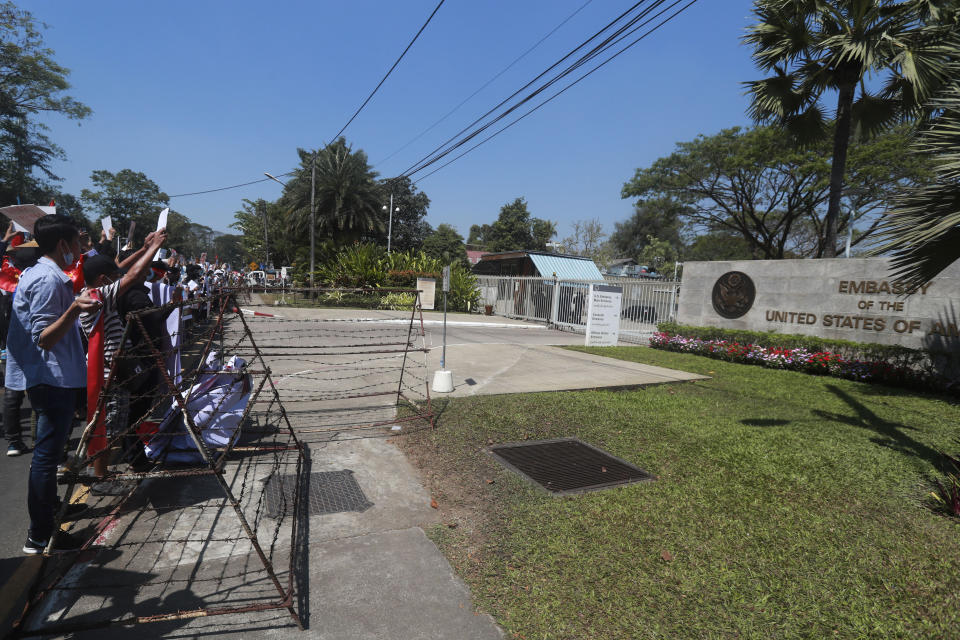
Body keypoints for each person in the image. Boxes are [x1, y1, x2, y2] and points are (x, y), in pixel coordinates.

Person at [7, 214, 100, 554]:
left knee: (49, 455)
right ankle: (41, 533)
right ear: (63, 244)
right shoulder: (47, 280)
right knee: (46, 458)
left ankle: (50, 510)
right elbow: (44, 337)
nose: (79, 249)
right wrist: (75, 309)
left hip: (50, 376)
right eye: (77, 243)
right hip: (51, 378)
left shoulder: (40, 273)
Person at [79, 229, 167, 485]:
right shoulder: (99, 297)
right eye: (114, 277)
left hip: (109, 368)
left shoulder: (92, 291)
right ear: (103, 279)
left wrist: (144, 247)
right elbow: (131, 274)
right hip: (110, 373)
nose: (119, 279)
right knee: (108, 426)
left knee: (108, 423)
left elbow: (121, 267)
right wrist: (155, 248)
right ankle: (100, 477)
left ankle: (101, 472)